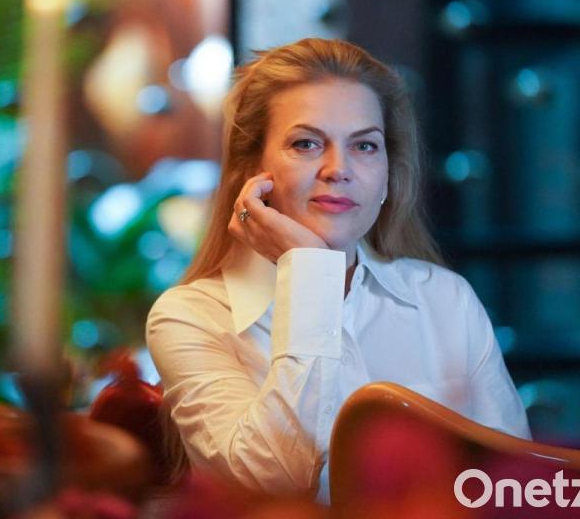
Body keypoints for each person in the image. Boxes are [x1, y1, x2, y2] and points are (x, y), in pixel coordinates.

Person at [145, 38, 530, 504]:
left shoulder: (444, 297)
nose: (338, 169)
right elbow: (276, 487)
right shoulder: (190, 317)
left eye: (365, 146)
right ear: (251, 170)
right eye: (306, 144)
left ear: (388, 173)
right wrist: (309, 270)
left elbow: (518, 489)